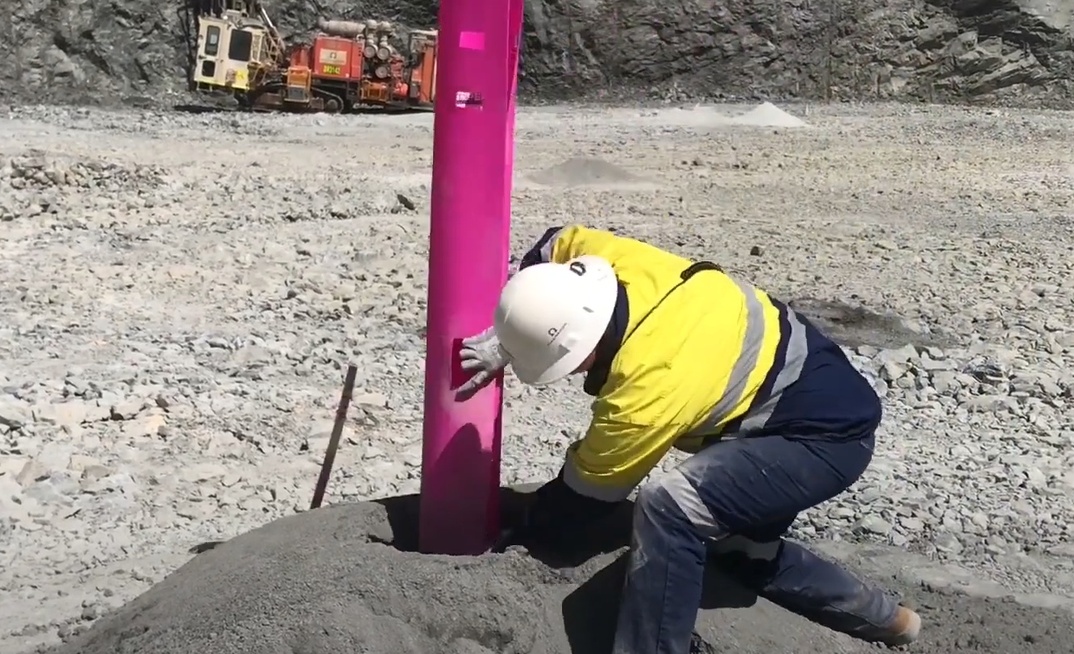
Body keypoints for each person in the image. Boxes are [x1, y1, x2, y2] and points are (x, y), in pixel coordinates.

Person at [457, 224, 922, 654]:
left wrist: (521, 530)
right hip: (810, 382)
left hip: (821, 440)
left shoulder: (647, 385)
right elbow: (552, 244)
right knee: (743, 554)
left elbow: (584, 499)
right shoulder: (603, 260)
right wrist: (512, 331)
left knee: (671, 505)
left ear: (587, 348)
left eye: (569, 362)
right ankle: (891, 621)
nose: (573, 373)